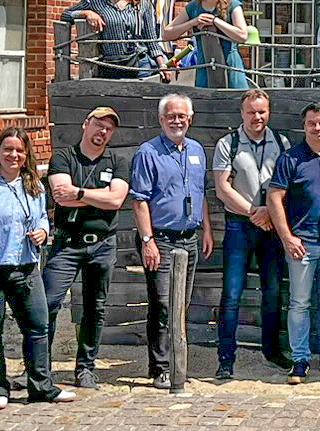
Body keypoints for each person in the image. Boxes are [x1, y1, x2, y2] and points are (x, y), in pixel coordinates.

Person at [0, 125, 73, 411]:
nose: (14, 155)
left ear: (26, 155)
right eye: (8, 149)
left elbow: (43, 218)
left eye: (19, 150)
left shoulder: (33, 186)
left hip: (25, 267)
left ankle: (41, 386)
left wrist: (43, 233)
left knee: (37, 326)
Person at [129, 91, 214, 392]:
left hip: (189, 238)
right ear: (161, 119)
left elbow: (200, 191)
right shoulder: (147, 153)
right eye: (170, 116)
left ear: (190, 119)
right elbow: (139, 201)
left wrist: (206, 228)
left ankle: (178, 363)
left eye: (182, 116)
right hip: (161, 239)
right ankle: (160, 368)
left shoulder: (197, 150)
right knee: (163, 304)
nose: (176, 121)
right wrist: (147, 240)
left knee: (182, 305)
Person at [43, 106, 131, 389]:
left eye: (108, 128)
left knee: (95, 308)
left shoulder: (117, 161)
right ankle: (39, 367)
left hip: (103, 245)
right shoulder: (63, 157)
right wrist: (99, 197)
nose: (102, 132)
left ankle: (85, 368)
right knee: (48, 304)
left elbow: (117, 201)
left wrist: (79, 193)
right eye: (98, 125)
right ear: (85, 125)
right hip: (68, 243)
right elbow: (61, 198)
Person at [267, 101, 320, 384]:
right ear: (304, 127)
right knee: (299, 303)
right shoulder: (291, 158)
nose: (318, 128)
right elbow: (274, 198)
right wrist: (287, 236)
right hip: (302, 244)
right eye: (312, 123)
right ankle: (300, 360)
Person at [212, 89, 290, 377]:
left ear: (268, 112)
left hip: (271, 225)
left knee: (272, 291)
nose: (257, 117)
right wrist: (254, 212)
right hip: (239, 225)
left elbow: (286, 184)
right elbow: (222, 188)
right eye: (251, 112)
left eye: (262, 111)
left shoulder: (281, 142)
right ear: (242, 113)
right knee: (232, 294)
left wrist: (269, 213)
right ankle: (226, 359)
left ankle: (272, 351)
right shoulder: (228, 143)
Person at [58, 0, 163, 79]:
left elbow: (152, 41)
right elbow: (65, 15)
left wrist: (162, 65)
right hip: (110, 66)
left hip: (139, 64)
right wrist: (86, 13)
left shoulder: (141, 4)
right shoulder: (95, 0)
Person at [164, 0, 251, 89]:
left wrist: (216, 21)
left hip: (231, 67)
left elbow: (242, 36)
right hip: (204, 67)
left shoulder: (233, 6)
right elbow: (167, 34)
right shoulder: (193, 7)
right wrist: (192, 22)